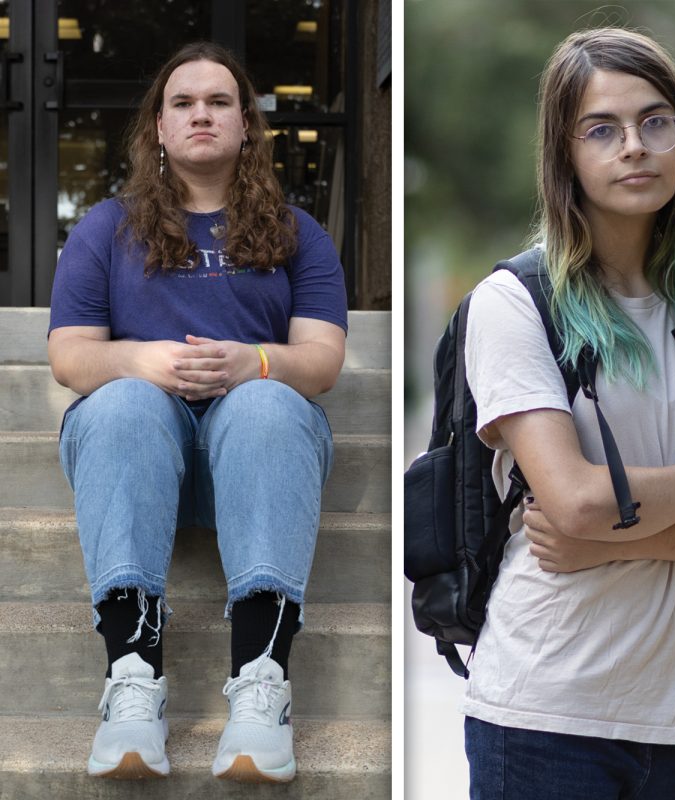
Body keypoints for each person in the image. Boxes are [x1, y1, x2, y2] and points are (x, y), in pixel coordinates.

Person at [459, 27, 675, 799]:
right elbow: (572, 499)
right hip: (545, 707)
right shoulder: (515, 303)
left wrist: (610, 545)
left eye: (655, 121)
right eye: (602, 129)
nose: (634, 146)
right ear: (564, 153)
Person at [47, 42, 347, 782]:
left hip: (256, 456)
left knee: (269, 405)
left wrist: (256, 362)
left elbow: (324, 359)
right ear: (158, 126)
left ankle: (262, 686)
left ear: (247, 125)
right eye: (183, 103)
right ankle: (132, 684)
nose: (201, 115)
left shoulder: (297, 232)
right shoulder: (105, 228)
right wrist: (138, 361)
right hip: (139, 455)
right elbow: (69, 356)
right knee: (119, 402)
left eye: (219, 102)